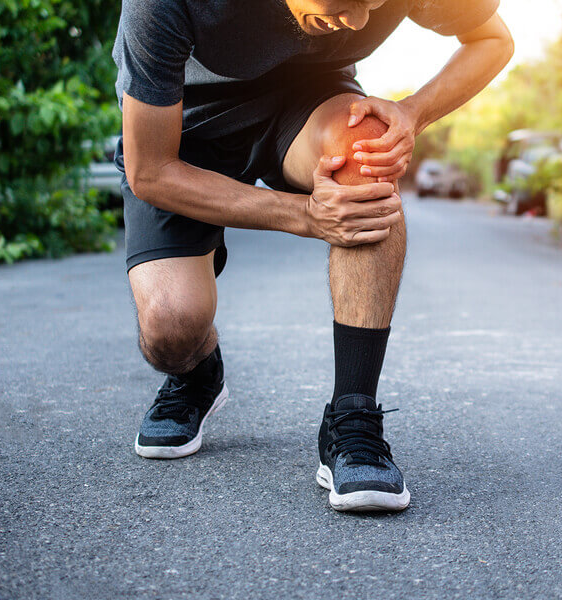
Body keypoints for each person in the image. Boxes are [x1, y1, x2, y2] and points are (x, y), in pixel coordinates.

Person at [112, 0, 513, 512]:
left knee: (366, 153)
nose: (360, 20)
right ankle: (196, 374)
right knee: (171, 328)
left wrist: (412, 114)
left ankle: (353, 416)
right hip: (186, 128)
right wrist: (306, 215)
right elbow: (151, 171)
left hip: (306, 102)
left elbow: (493, 40)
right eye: (345, 0)